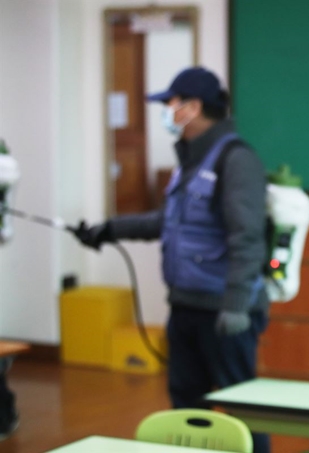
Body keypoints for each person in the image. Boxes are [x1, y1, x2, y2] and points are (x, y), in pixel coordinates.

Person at [74, 67, 271, 453]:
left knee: (242, 408)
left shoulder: (235, 159)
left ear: (193, 107)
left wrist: (235, 305)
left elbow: (247, 238)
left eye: (171, 103)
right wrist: (108, 230)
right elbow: (168, 222)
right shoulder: (190, 159)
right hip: (185, 306)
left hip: (224, 312)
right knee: (186, 407)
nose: (167, 110)